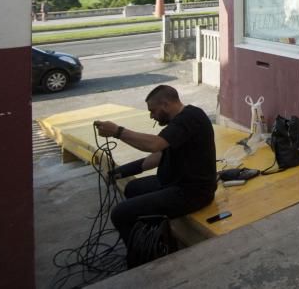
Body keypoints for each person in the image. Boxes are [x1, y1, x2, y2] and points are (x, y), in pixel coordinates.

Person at [93, 85, 216, 254]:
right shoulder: (180, 122)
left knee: (120, 214)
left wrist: (117, 131)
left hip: (192, 192)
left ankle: (146, 260)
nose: (151, 116)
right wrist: (120, 172)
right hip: (174, 183)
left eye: (153, 110)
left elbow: (154, 145)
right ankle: (156, 239)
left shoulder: (191, 118)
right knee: (132, 188)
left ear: (165, 104)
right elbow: (158, 155)